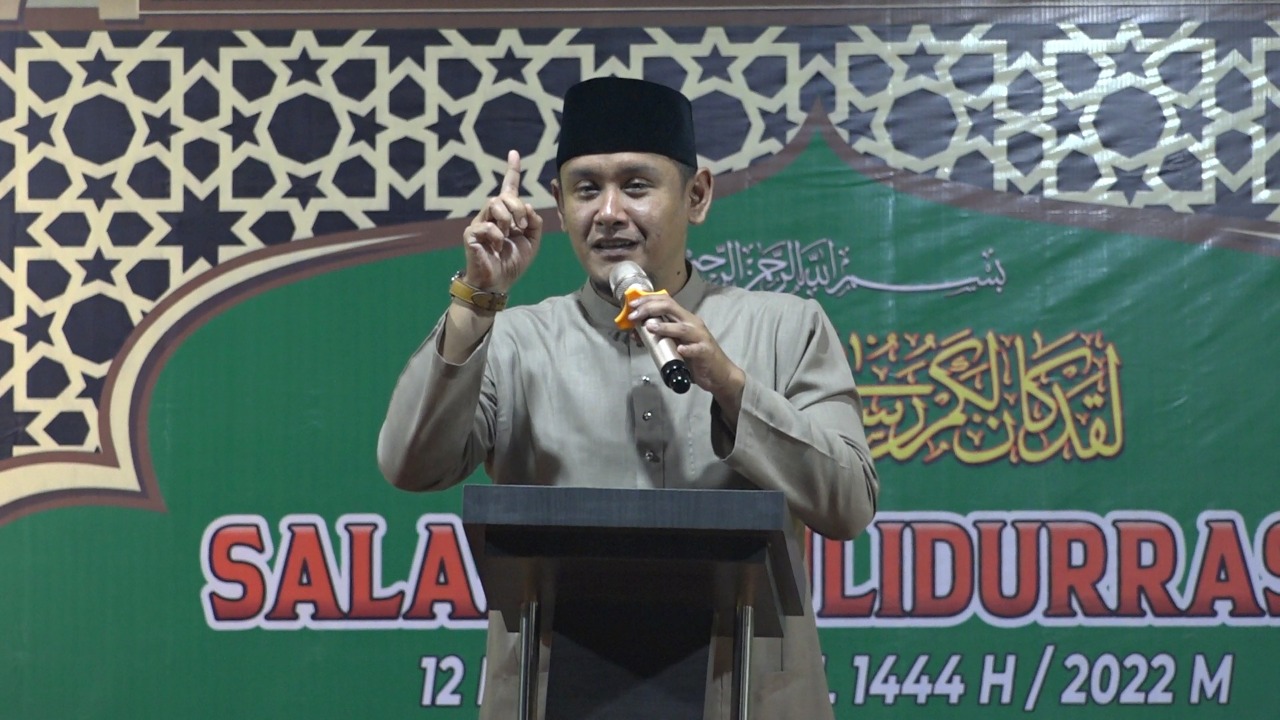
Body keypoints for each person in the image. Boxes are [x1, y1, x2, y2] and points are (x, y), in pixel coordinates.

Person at [378, 76, 879, 720]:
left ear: (697, 196)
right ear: (560, 207)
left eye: (636, 186)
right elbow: (410, 465)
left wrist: (732, 387)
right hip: (548, 696)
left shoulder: (786, 328)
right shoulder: (515, 340)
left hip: (751, 699)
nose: (609, 212)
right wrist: (476, 301)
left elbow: (849, 504)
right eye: (586, 189)